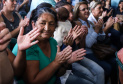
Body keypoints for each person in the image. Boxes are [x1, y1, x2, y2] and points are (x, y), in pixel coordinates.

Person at [12, 7, 86, 84]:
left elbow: (57, 73)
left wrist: (65, 63)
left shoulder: (52, 42)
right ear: (33, 24)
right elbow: (33, 81)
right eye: (43, 23)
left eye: (51, 24)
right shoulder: (29, 45)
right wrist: (56, 62)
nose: (47, 28)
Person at [73, 1, 117, 84]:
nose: (86, 11)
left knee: (114, 61)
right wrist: (97, 31)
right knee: (107, 68)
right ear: (78, 13)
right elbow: (88, 45)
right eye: (83, 9)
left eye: (87, 8)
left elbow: (100, 39)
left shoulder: (89, 22)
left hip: (95, 50)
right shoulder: (79, 24)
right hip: (87, 53)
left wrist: (102, 29)